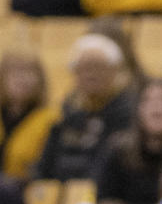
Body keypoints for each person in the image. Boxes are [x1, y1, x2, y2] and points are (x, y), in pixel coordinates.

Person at [37, 34, 134, 182]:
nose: (91, 74)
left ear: (115, 71)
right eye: (85, 68)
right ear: (74, 73)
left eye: (99, 68)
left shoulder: (128, 114)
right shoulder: (64, 114)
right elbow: (45, 166)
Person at [0, 50, 56, 180]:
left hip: (28, 192)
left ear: (40, 80)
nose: (22, 79)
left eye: (29, 72)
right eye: (14, 72)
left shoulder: (52, 120)